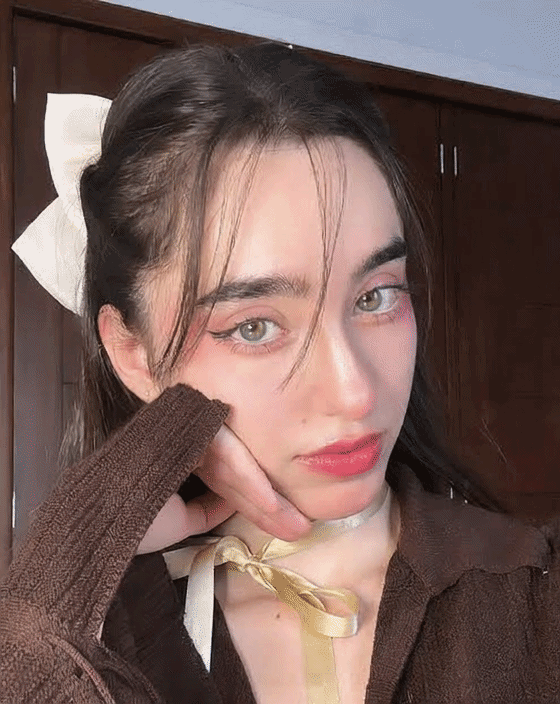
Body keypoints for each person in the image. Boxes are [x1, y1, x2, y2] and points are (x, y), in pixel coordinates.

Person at [1, 42, 558, 704]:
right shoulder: (93, 643)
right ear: (134, 354)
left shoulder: (535, 597)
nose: (355, 393)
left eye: (376, 296)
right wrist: (70, 568)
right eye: (254, 327)